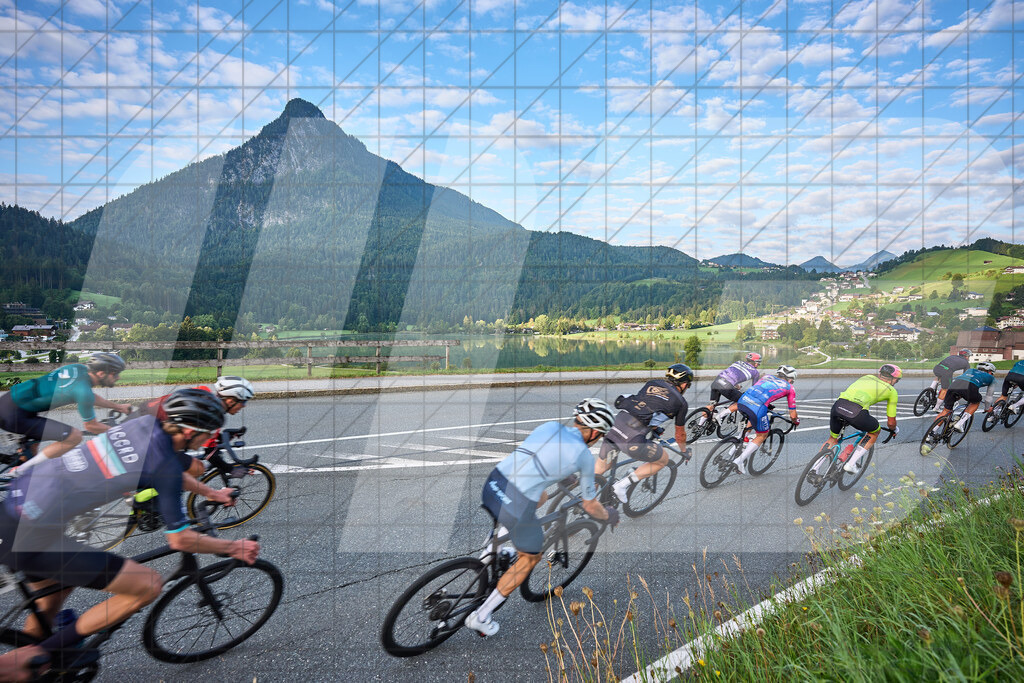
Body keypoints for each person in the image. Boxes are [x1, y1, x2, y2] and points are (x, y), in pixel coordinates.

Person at [0, 388, 257, 666]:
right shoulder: (165, 466)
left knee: (51, 601)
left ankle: (40, 660)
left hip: (13, 512)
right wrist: (235, 547)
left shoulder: (141, 425)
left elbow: (169, 464)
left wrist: (212, 493)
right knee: (147, 585)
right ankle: (33, 658)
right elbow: (180, 540)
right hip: (33, 537)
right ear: (188, 432)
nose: (209, 439)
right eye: (208, 433)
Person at [464, 399, 617, 637]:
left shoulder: (549, 427)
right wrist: (608, 515)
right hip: (516, 501)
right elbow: (590, 505)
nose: (599, 439)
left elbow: (537, 456)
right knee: (531, 557)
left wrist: (563, 475)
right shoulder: (584, 457)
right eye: (601, 435)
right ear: (595, 432)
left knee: (542, 494)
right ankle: (481, 617)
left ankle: (492, 549)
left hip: (494, 482)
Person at [0, 353, 133, 469]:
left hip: (10, 402)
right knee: (74, 436)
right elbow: (91, 426)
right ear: (101, 373)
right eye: (115, 373)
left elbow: (89, 396)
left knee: (32, 450)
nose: (118, 377)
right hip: (16, 415)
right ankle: (21, 471)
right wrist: (121, 433)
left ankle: (22, 466)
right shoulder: (83, 391)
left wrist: (118, 407)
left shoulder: (79, 369)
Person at [601, 364, 694, 506]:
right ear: (684, 384)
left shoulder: (652, 383)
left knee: (601, 468)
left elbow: (644, 406)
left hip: (615, 426)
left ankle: (583, 502)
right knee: (662, 460)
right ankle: (621, 485)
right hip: (632, 439)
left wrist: (654, 428)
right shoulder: (681, 403)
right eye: (688, 386)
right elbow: (680, 434)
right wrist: (684, 451)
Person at [823, 364, 901, 474]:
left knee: (832, 439)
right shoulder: (892, 391)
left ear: (880, 374)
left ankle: (814, 469)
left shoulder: (866, 377)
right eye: (897, 380)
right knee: (874, 431)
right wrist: (894, 429)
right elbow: (891, 422)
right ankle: (851, 464)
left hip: (838, 406)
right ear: (894, 379)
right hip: (856, 412)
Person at [722, 364, 800, 474]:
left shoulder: (766, 376)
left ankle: (731, 452)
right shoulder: (790, 387)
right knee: (762, 435)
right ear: (791, 379)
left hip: (742, 401)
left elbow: (760, 391)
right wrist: (796, 421)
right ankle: (739, 461)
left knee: (749, 424)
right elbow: (793, 415)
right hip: (757, 408)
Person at [934, 361, 997, 433]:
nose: (992, 374)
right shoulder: (991, 378)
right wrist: (987, 408)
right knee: (975, 402)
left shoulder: (971, 370)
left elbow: (963, 382)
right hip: (970, 387)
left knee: (945, 411)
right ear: (990, 371)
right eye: (992, 373)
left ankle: (930, 433)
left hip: (954, 384)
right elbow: (988, 397)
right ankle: (960, 424)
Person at [700, 352, 762, 424]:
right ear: (756, 363)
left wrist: (737, 386)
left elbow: (730, 376)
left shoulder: (738, 362)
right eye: (759, 363)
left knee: (711, 405)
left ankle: (699, 425)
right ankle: (720, 416)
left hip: (716, 382)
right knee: (742, 401)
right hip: (727, 386)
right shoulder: (755, 372)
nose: (758, 365)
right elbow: (754, 388)